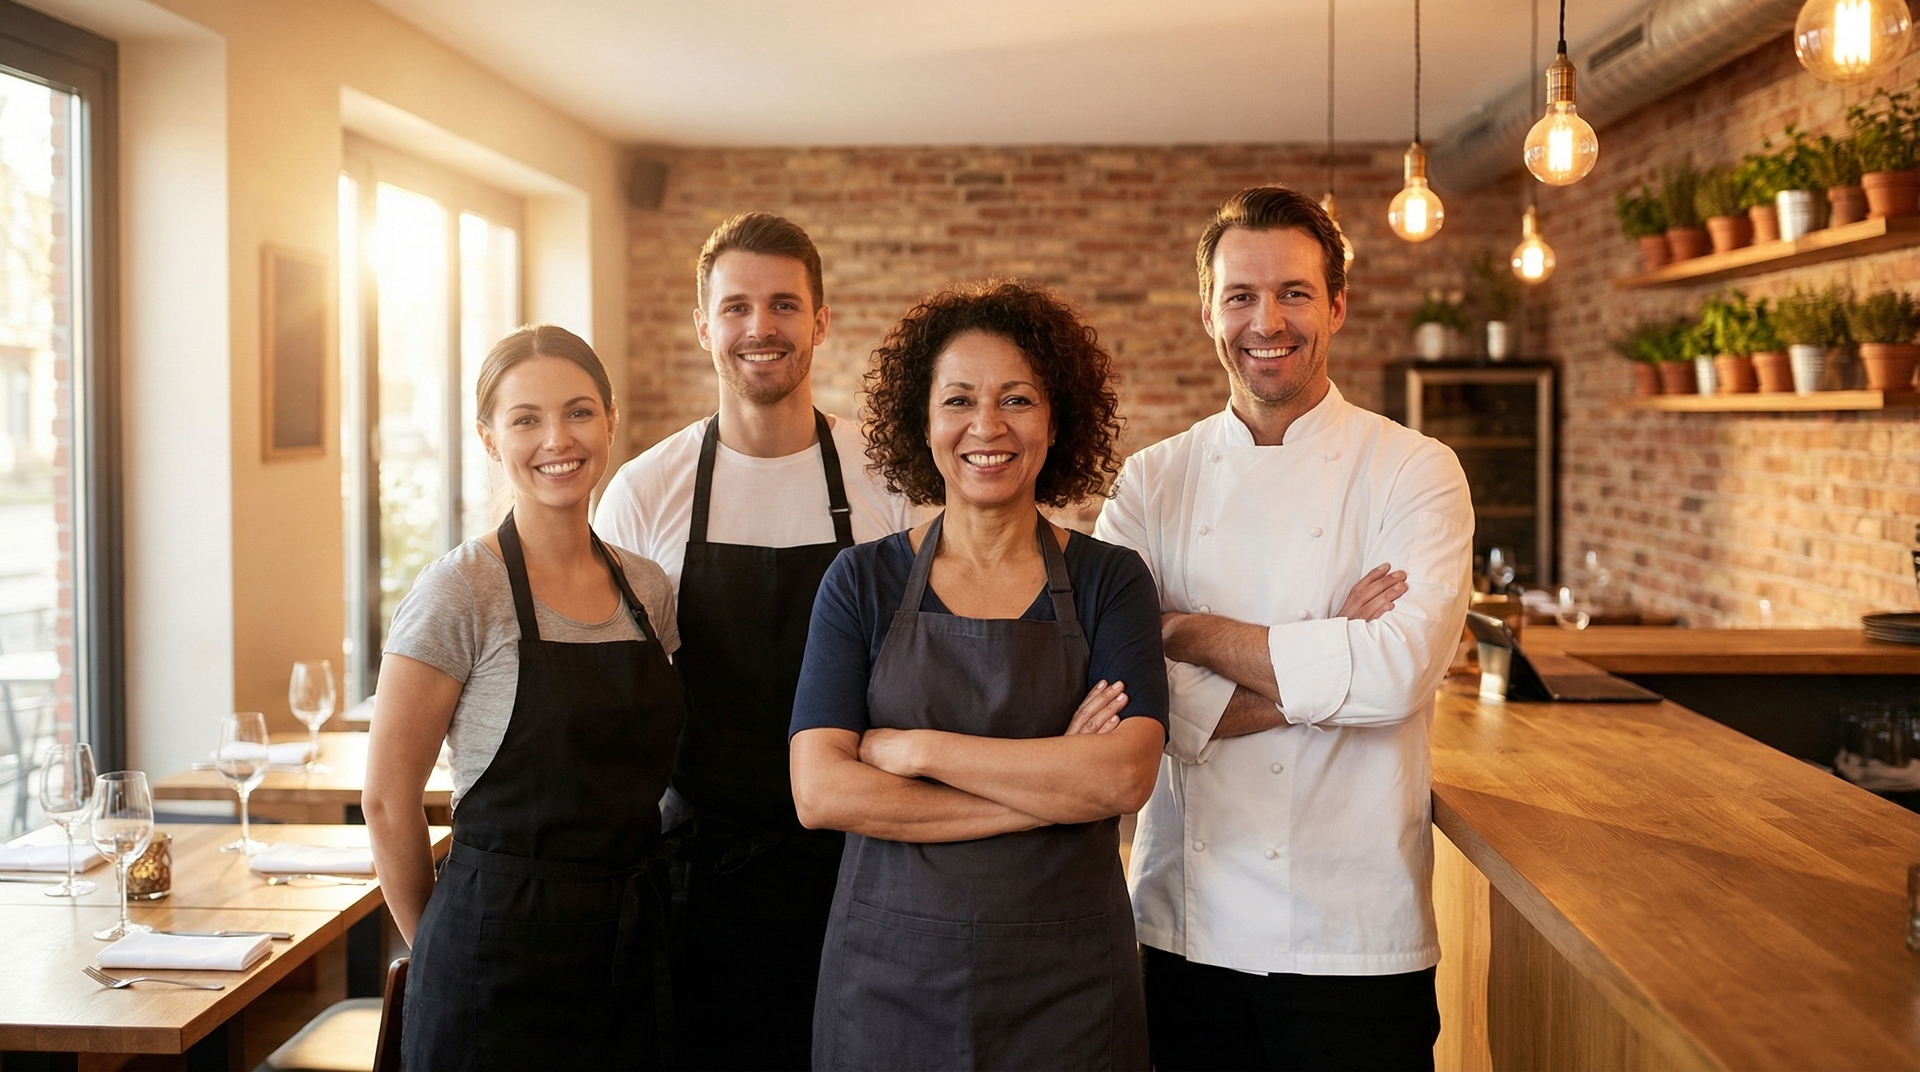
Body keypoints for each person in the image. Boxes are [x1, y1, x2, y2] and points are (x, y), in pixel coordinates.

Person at [1093, 185, 1473, 1072]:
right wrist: (1326, 648)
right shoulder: (1150, 482)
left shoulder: (1414, 471)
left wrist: (1181, 630)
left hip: (1356, 936)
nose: (1268, 321)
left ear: (1336, 305)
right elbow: (1116, 694)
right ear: (1208, 312)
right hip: (1186, 928)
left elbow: (1395, 679)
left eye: (1295, 293)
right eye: (1242, 296)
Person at [790, 280, 1166, 1071]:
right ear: (922, 422)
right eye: (958, 399)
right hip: (889, 983)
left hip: (1070, 994)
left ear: (1056, 419)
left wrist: (922, 749)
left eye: (1018, 399)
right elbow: (822, 793)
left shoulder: (1111, 581)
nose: (986, 426)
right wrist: (1052, 787)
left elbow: (1124, 776)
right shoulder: (860, 583)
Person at [593, 212, 918, 1069]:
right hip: (702, 879)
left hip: (862, 862)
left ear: (821, 320)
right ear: (703, 325)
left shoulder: (889, 478)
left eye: (783, 304)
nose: (760, 327)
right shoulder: (643, 492)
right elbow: (615, 693)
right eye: (736, 307)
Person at [364, 325, 686, 1071]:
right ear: (488, 437)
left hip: (630, 953)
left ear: (610, 421)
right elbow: (387, 800)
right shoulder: (460, 590)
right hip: (493, 965)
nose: (556, 440)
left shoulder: (647, 589)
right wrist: (446, 947)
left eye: (578, 412)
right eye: (525, 419)